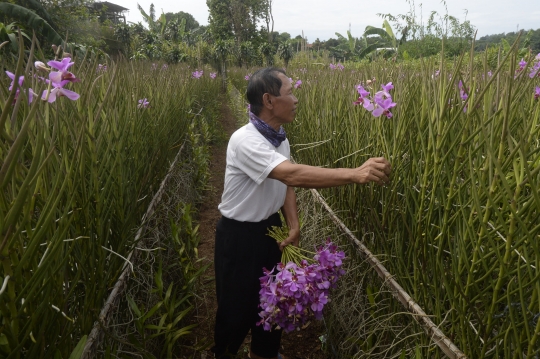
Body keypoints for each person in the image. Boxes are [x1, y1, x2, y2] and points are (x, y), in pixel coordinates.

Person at [212, 67, 391, 359]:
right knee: (235, 309)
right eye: (290, 92)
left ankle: (264, 354)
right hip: (239, 236)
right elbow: (292, 175)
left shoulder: (279, 137)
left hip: (271, 229)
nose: (296, 99)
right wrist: (354, 173)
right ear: (269, 100)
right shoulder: (245, 140)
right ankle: (224, 353)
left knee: (275, 302)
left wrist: (293, 225)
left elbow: (285, 185)